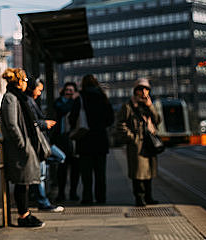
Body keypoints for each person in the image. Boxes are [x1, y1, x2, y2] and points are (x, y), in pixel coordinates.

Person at [0, 68, 45, 228]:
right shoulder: (10, 98)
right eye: (24, 80)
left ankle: (25, 213)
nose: (26, 84)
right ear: (19, 81)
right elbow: (12, 124)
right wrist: (22, 144)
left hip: (24, 145)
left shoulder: (18, 97)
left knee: (25, 181)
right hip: (19, 148)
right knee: (21, 181)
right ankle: (23, 215)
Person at [70, 74, 114, 204]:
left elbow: (72, 119)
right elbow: (110, 119)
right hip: (100, 140)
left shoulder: (80, 98)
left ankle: (87, 198)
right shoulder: (103, 97)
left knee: (86, 173)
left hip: (84, 140)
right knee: (100, 173)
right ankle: (101, 198)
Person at [117, 78, 161, 207]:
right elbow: (120, 124)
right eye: (141, 89)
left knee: (149, 172)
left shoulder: (149, 105)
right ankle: (139, 197)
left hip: (149, 142)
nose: (143, 92)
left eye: (146, 89)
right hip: (137, 144)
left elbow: (158, 120)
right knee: (138, 173)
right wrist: (132, 138)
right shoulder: (128, 106)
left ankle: (149, 196)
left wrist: (151, 107)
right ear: (135, 91)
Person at [25, 78, 65, 212]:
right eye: (39, 90)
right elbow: (32, 123)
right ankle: (43, 202)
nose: (40, 93)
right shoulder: (28, 101)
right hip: (40, 143)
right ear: (32, 88)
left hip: (42, 142)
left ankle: (43, 201)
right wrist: (44, 124)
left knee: (59, 158)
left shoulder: (31, 101)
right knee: (41, 174)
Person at [48, 81, 80, 202]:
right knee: (62, 167)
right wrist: (73, 100)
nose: (69, 93)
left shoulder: (77, 102)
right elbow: (63, 110)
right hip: (61, 138)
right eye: (67, 91)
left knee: (75, 168)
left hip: (73, 138)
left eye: (71, 91)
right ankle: (61, 193)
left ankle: (73, 192)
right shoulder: (59, 102)